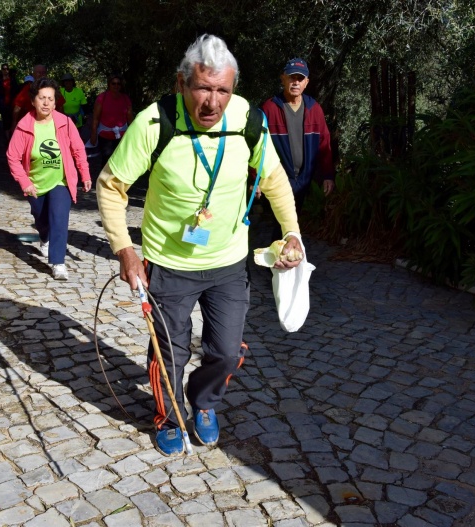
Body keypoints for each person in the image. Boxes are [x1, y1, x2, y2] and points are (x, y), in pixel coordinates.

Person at [96, 34, 305, 456]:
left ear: (234, 89)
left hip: (228, 262)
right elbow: (111, 185)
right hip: (168, 264)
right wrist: (125, 249)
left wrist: (293, 231)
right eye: (203, 88)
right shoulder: (155, 123)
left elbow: (274, 178)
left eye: (223, 90)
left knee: (227, 354)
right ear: (181, 84)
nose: (212, 102)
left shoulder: (246, 118)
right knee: (168, 352)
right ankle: (169, 415)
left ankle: (204, 403)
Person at [7, 78, 91, 281]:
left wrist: (85, 174)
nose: (46, 103)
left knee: (59, 219)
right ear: (34, 101)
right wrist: (25, 182)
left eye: (50, 99)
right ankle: (43, 237)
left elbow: (78, 150)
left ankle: (58, 262)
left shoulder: (65, 123)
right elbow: (13, 157)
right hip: (35, 184)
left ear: (55, 102)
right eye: (42, 98)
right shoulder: (24, 126)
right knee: (41, 218)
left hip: (60, 181)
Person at [260, 57, 335, 237]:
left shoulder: (314, 109)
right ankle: (278, 262)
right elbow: (258, 144)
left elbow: (324, 142)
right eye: (291, 77)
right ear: (283, 78)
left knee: (291, 222)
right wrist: (256, 179)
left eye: (300, 79)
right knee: (283, 221)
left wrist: (328, 175)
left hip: (303, 179)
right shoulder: (270, 108)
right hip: (278, 176)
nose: (295, 82)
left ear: (306, 82)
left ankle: (284, 260)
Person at [90, 73, 133, 167]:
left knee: (120, 159)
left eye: (118, 84)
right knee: (106, 160)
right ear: (109, 84)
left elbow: (130, 119)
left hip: (122, 136)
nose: (116, 86)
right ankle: (104, 180)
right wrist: (93, 134)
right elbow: (95, 118)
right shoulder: (102, 98)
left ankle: (117, 180)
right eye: (113, 83)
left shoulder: (125, 99)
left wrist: (133, 134)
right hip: (105, 136)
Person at [11, 64, 65, 135]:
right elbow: (17, 107)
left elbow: (60, 106)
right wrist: (14, 123)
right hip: (30, 124)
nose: (41, 75)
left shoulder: (53, 89)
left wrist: (61, 122)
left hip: (49, 124)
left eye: (43, 72)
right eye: (38, 72)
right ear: (33, 74)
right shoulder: (28, 89)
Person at [0, 63, 19, 140]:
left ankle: (11, 136)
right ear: (1, 70)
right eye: (3, 69)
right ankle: (7, 138)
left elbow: (16, 91)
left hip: (12, 104)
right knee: (6, 120)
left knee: (11, 119)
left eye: (7, 69)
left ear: (8, 70)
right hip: (3, 104)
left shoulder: (12, 80)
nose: (5, 70)